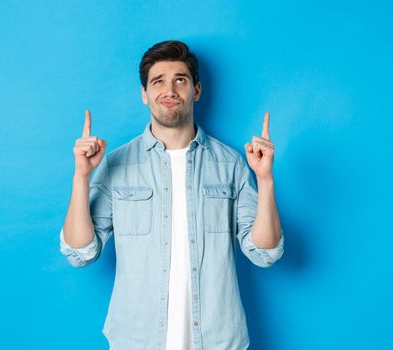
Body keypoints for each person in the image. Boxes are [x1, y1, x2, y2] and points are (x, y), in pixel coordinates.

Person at [59, 40, 284, 350]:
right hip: (137, 341)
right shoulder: (117, 164)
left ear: (197, 90)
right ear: (144, 94)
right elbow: (79, 252)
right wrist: (82, 177)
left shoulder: (230, 164)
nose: (170, 89)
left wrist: (266, 179)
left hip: (218, 341)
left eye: (180, 79)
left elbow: (264, 253)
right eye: (158, 81)